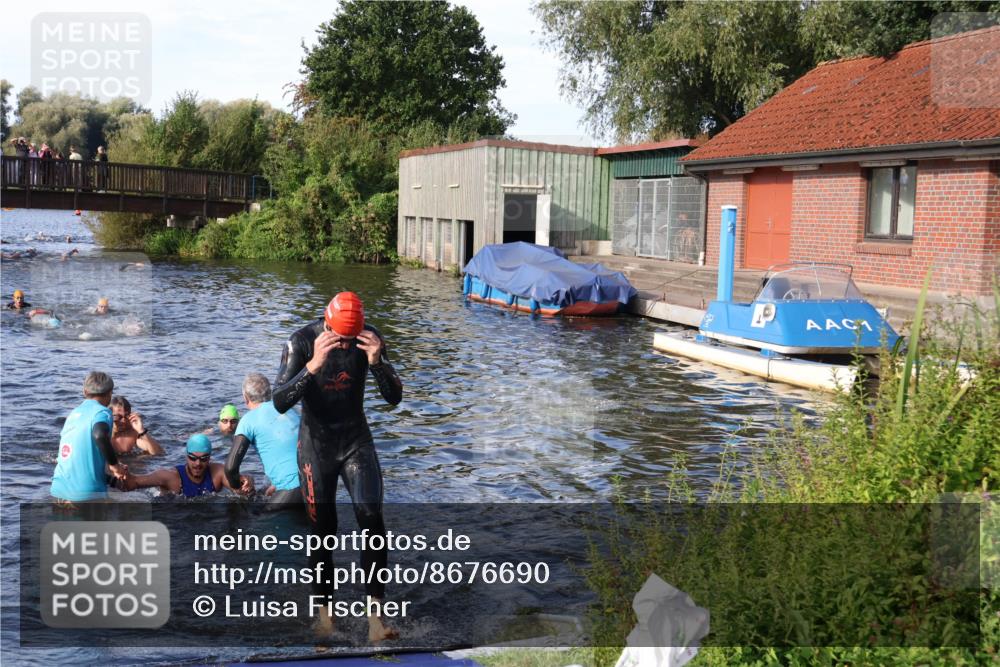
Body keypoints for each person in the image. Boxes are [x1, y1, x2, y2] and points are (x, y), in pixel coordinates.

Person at [272, 291, 403, 642]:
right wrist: (312, 367)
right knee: (323, 531)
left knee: (371, 516)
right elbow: (279, 401)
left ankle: (376, 618)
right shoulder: (300, 342)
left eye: (351, 339)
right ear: (327, 324)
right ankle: (326, 617)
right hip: (316, 445)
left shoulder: (368, 338)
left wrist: (377, 362)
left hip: (354, 439)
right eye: (340, 338)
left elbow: (394, 397)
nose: (346, 346)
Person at [225, 373, 301, 510]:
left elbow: (230, 468)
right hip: (314, 482)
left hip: (291, 489)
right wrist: (276, 485)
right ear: (270, 393)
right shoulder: (289, 410)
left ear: (245, 398)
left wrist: (238, 489)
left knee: (254, 518)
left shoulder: (248, 420)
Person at [50, 371, 127, 502]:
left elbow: (77, 462)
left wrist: (111, 480)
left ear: (85, 392)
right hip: (87, 496)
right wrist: (115, 465)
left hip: (58, 492)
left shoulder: (72, 415)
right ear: (109, 394)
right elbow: (99, 435)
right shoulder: (102, 412)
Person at [119, 434, 254, 498]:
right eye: (193, 458)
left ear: (209, 458)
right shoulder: (171, 477)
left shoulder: (217, 472)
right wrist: (125, 476)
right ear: (186, 456)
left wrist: (247, 482)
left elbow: (239, 489)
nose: (197, 463)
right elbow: (134, 483)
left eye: (203, 459)